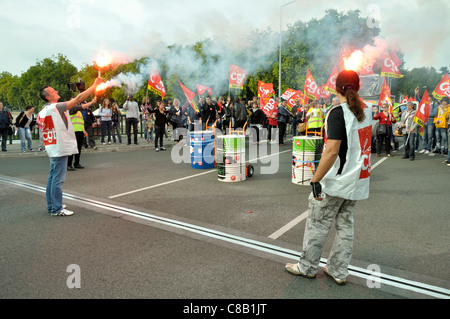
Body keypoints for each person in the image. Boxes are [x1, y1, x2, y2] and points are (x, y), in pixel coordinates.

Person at [285, 70, 372, 285]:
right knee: (345, 226)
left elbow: (332, 151)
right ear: (358, 87)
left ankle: (307, 267)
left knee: (317, 224)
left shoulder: (337, 112)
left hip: (335, 181)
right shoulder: (367, 110)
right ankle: (338, 270)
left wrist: (315, 179)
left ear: (336, 87)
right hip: (356, 180)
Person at [39, 77, 102, 216]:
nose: (56, 91)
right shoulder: (57, 107)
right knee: (57, 179)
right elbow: (79, 98)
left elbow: (78, 106)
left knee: (52, 178)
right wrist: (94, 85)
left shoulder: (46, 110)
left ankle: (52, 205)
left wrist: (91, 102)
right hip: (59, 147)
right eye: (52, 91)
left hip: (53, 147)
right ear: (48, 97)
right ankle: (56, 208)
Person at [67, 97, 97, 170]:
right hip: (73, 131)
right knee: (72, 148)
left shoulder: (78, 112)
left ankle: (76, 163)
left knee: (78, 148)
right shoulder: (70, 109)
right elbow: (79, 107)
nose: (75, 102)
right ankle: (69, 164)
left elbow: (80, 121)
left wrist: (83, 131)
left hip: (79, 131)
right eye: (74, 100)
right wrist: (91, 102)